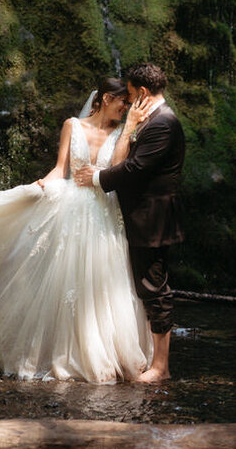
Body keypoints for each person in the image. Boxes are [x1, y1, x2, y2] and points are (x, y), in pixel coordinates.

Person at [0, 77, 156, 383]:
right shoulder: (72, 125)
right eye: (122, 102)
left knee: (105, 281)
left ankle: (110, 354)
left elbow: (117, 168)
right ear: (104, 98)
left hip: (105, 210)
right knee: (67, 282)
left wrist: (128, 128)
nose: (125, 107)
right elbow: (61, 170)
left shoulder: (122, 131)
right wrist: (38, 187)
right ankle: (66, 354)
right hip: (71, 209)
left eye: (128, 103)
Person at [74, 62, 185, 383]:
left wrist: (96, 178)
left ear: (144, 93)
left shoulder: (163, 123)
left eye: (132, 94)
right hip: (140, 217)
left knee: (155, 288)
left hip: (152, 219)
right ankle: (148, 359)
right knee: (145, 287)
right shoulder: (151, 120)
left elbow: (135, 168)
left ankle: (161, 368)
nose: (128, 101)